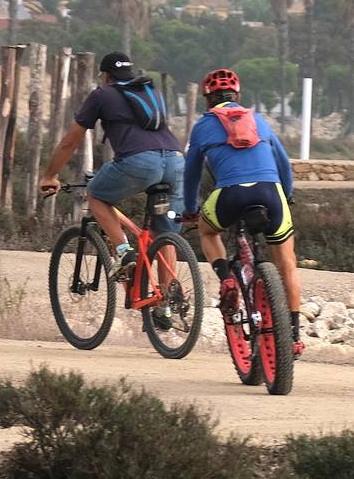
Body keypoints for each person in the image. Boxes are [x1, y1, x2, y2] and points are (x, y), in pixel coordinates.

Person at [179, 67, 303, 350]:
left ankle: (227, 280)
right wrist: (288, 195)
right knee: (287, 262)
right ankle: (294, 335)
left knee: (208, 232)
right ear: (237, 95)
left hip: (230, 195)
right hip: (270, 193)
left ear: (207, 100)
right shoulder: (258, 119)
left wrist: (190, 210)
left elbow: (191, 174)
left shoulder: (202, 126)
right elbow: (283, 163)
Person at [38, 52, 185, 271]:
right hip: (176, 161)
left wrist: (49, 176)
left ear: (105, 76)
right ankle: (167, 299)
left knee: (96, 194)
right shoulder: (151, 91)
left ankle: (124, 253)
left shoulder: (102, 95)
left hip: (140, 162)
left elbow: (69, 143)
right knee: (164, 233)